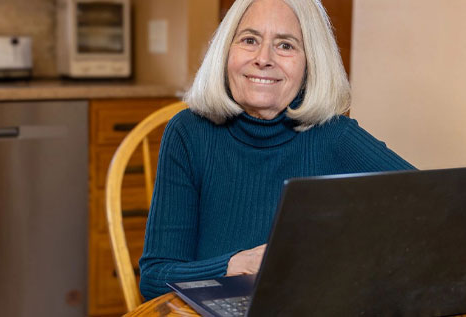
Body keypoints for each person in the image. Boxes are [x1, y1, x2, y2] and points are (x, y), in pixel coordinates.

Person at [138, 0, 414, 300]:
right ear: (226, 50)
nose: (263, 58)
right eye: (249, 40)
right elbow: (154, 279)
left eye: (285, 45)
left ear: (310, 62)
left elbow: (433, 213)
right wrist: (233, 265)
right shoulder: (188, 133)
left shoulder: (335, 135)